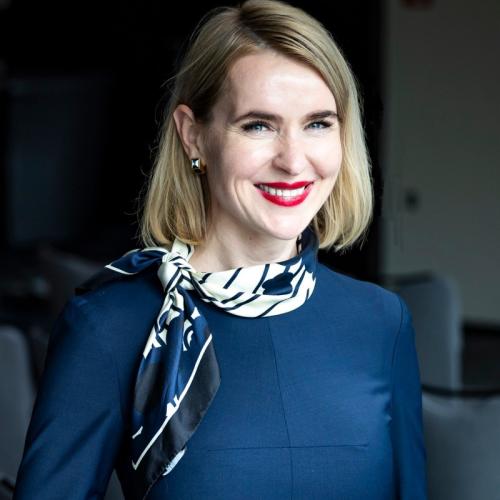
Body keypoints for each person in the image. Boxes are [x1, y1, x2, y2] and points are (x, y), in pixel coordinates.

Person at [14, 0, 428, 498]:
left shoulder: (382, 323)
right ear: (193, 136)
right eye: (258, 125)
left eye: (318, 123)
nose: (293, 161)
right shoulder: (109, 326)